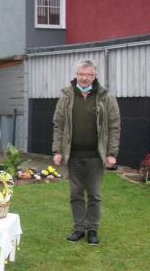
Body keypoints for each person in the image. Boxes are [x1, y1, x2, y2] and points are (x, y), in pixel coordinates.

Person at [52, 59, 121, 246]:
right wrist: (58, 150)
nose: (84, 78)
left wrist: (111, 153)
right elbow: (58, 125)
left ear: (95, 76)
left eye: (88, 75)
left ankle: (92, 229)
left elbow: (114, 126)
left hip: (96, 157)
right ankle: (79, 228)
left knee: (94, 194)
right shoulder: (66, 97)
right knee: (75, 194)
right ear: (77, 75)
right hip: (73, 155)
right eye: (81, 74)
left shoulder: (106, 97)